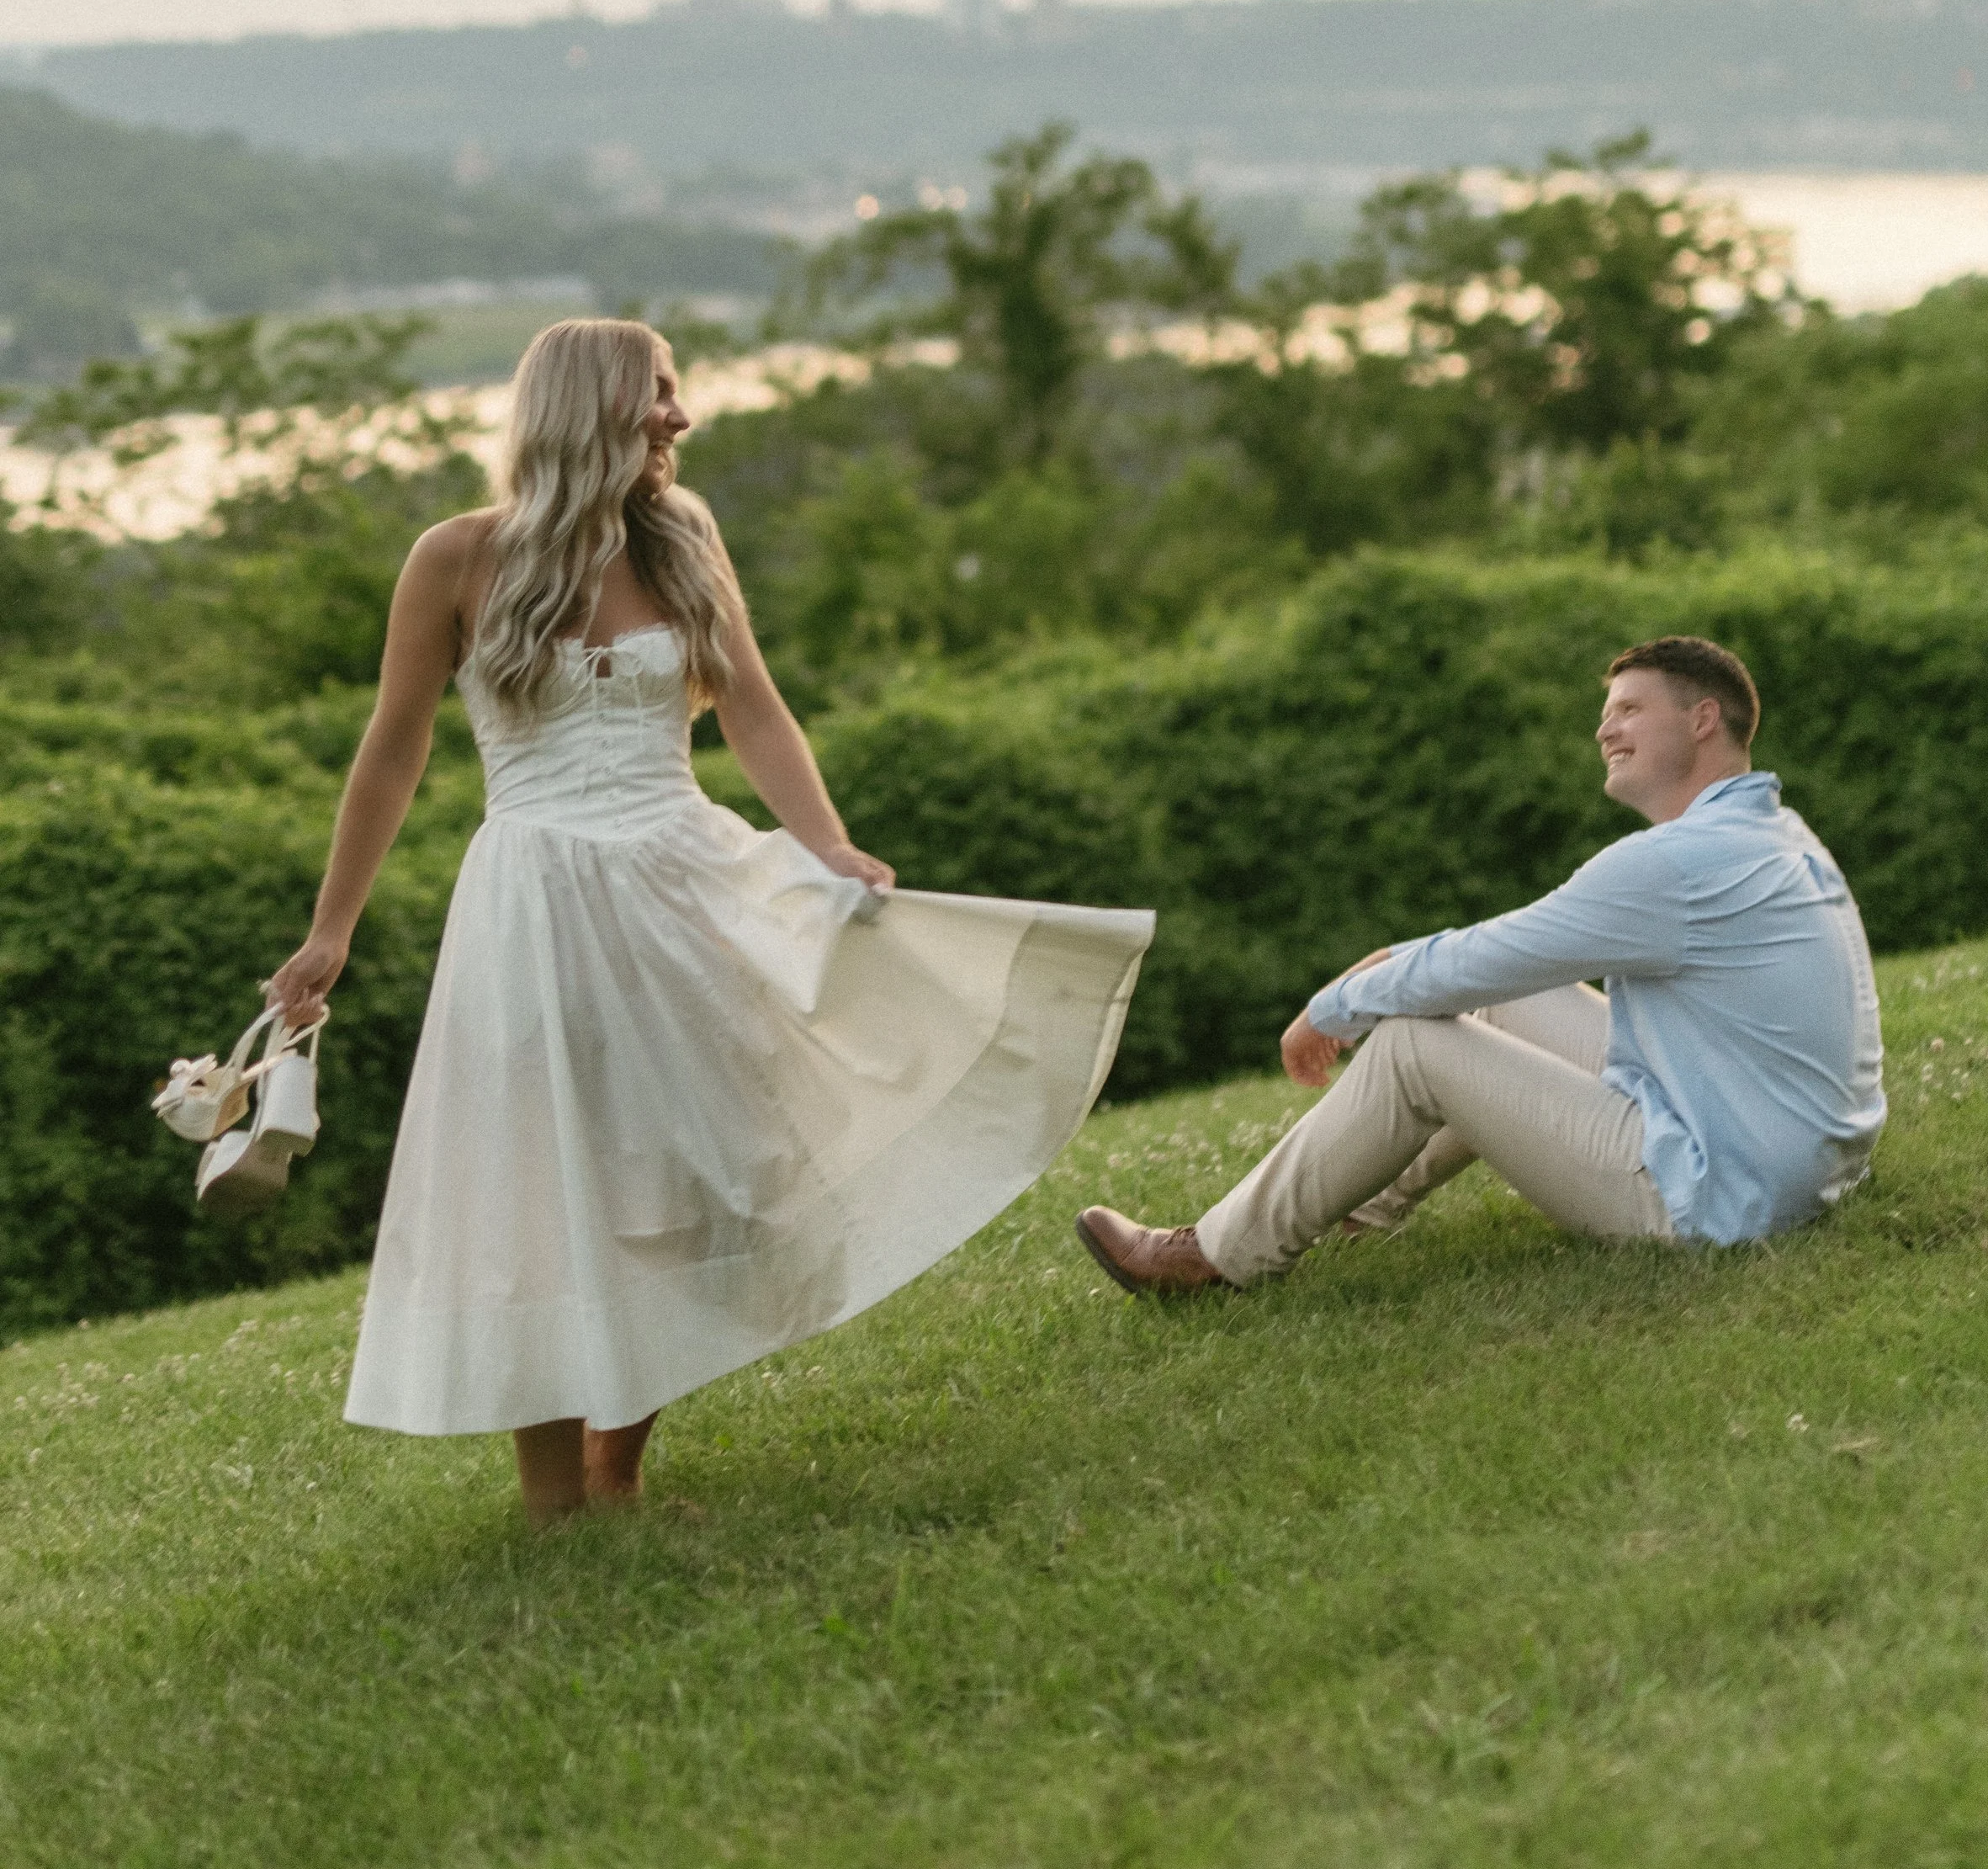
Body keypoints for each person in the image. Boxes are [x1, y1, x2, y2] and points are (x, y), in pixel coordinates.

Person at [268, 319, 1152, 1521]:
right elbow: (391, 752)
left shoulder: (684, 539)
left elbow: (756, 712)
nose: (680, 420)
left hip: (684, 880)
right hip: (534, 904)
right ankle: (554, 1505)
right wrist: (334, 930)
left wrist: (829, 845)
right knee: (544, 1189)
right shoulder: (456, 558)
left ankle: (614, 1469)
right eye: (658, 399)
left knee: (705, 1181)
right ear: (591, 410)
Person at [1075, 636, 1884, 1293]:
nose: (1605, 730)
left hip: (1723, 1196)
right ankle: (1360, 1206)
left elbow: (1491, 954)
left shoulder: (1676, 864)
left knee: (1414, 1045)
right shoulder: (1775, 831)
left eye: (1630, 709)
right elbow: (1504, 960)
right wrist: (1399, 962)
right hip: (1790, 1162)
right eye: (1607, 714)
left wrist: (1337, 1004)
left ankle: (1214, 1258)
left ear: (1705, 719)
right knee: (1500, 1002)